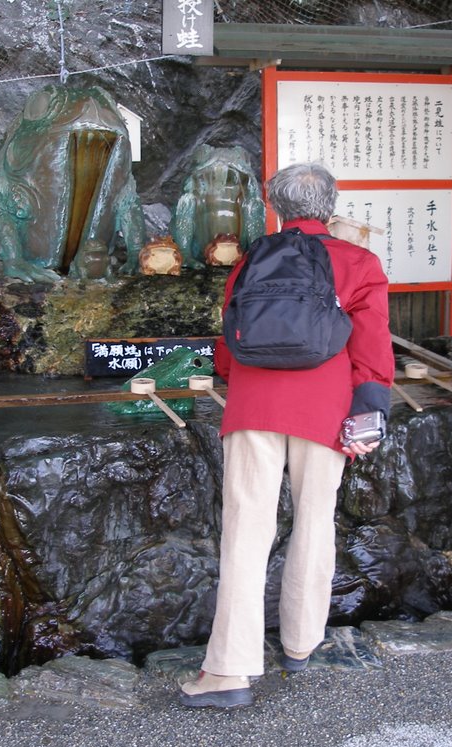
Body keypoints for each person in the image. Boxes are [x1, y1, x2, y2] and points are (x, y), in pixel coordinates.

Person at [179, 163, 395, 708]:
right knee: (315, 523)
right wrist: (369, 411)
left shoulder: (253, 259)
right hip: (325, 410)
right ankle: (300, 645)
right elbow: (371, 348)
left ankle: (228, 671)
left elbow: (228, 341)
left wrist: (244, 379)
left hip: (254, 406)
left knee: (247, 534)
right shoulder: (359, 262)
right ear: (331, 203)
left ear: (277, 207)